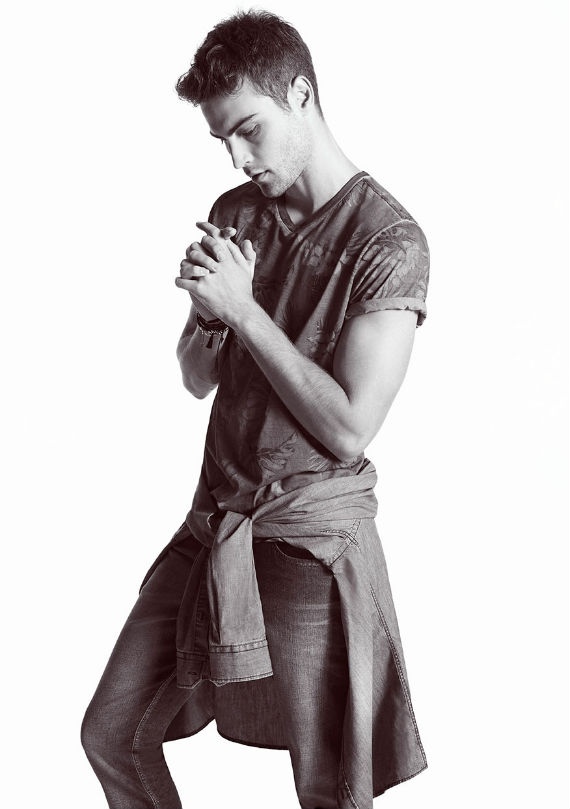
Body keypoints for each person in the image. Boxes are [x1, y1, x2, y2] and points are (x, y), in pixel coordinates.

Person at [81, 9, 430, 809]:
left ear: (301, 94)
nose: (239, 158)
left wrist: (243, 309)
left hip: (312, 538)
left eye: (249, 130)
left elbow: (349, 427)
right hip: (217, 523)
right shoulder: (236, 212)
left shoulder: (390, 241)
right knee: (112, 731)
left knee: (330, 786)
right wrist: (212, 316)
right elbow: (194, 376)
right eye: (222, 141)